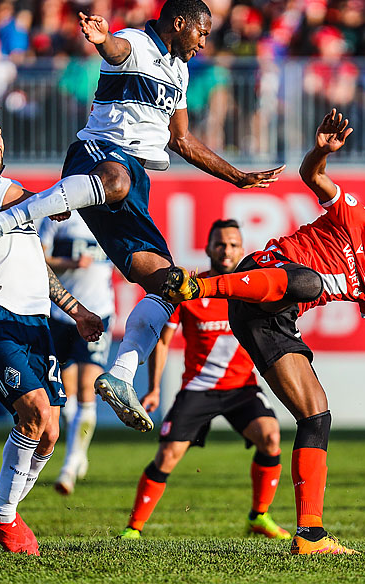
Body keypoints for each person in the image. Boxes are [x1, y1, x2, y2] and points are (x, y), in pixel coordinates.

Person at [0, 0, 284, 434]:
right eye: (201, 32)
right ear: (177, 23)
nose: (203, 42)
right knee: (117, 182)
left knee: (171, 283)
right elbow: (117, 49)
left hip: (134, 182)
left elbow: (182, 140)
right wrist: (101, 40)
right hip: (100, 157)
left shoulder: (180, 70)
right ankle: (1, 221)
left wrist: (236, 177)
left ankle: (120, 376)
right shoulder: (135, 42)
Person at [161, 109, 365, 555]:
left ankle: (309, 535)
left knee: (317, 415)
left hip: (271, 320)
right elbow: (313, 175)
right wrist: (320, 151)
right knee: (310, 280)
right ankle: (197, 286)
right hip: (260, 277)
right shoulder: (358, 219)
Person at [0, 103, 104, 555]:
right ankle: (2, 516)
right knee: (34, 414)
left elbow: (38, 268)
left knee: (50, 430)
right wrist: (73, 193)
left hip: (36, 322)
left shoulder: (20, 214)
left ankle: (3, 512)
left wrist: (76, 310)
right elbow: (30, 200)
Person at [119, 219, 289, 541]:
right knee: (167, 457)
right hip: (198, 389)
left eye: (233, 245)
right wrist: (154, 388)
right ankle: (133, 528)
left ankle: (259, 517)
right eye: (220, 244)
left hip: (242, 387)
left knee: (271, 436)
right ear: (209, 248)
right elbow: (164, 341)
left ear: (242, 249)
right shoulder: (190, 288)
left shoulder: (251, 288)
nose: (227, 251)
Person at [37, 213, 114, 496]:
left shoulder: (109, 218)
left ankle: (70, 465)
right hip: (62, 313)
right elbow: (40, 260)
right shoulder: (57, 217)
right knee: (65, 393)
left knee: (87, 388)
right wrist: (70, 264)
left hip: (98, 312)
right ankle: (78, 452)